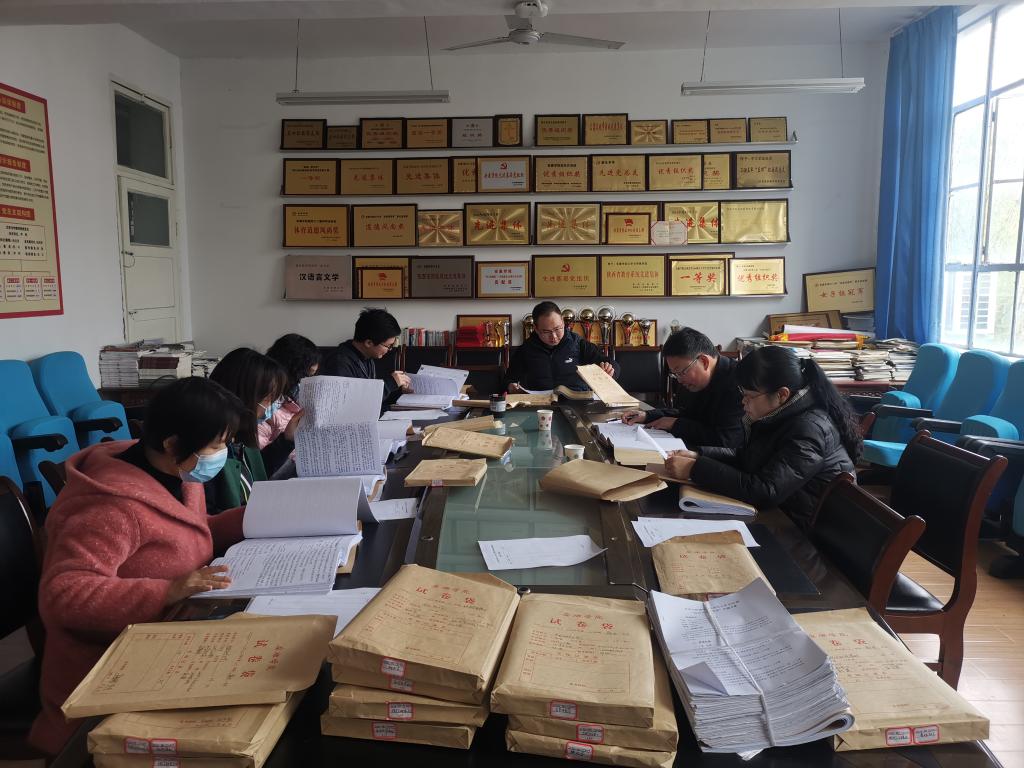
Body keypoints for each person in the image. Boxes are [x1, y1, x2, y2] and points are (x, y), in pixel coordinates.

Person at [30, 377, 247, 755]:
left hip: (168, 640)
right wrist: (168, 590)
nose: (221, 454)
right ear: (173, 443)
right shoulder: (108, 505)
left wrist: (258, 516)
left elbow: (190, 535)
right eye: (216, 445)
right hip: (106, 675)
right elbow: (64, 594)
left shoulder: (175, 471)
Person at [663, 345, 862, 530]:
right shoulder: (779, 414)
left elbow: (766, 491)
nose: (743, 402)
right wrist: (698, 456)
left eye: (749, 396)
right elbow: (748, 457)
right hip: (783, 512)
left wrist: (695, 469)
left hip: (802, 529)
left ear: (781, 394)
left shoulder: (809, 429)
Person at [620, 328, 745, 449]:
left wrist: (675, 424)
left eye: (681, 372)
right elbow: (685, 414)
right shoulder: (695, 381)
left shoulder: (739, 383)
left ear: (704, 362)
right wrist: (648, 416)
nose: (679, 380)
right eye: (675, 374)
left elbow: (727, 440)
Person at [206, 348, 288, 511]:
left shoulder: (243, 436)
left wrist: (287, 440)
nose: (272, 406)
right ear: (244, 396)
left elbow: (256, 475)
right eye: (268, 399)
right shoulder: (210, 450)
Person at [505, 301, 618, 392]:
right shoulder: (526, 349)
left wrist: (609, 369)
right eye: (546, 332)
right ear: (536, 329)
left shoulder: (578, 343)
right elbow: (508, 380)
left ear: (563, 322)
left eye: (557, 329)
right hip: (539, 405)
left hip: (577, 403)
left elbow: (613, 365)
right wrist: (511, 386)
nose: (553, 336)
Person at [320, 308, 410, 408]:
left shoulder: (367, 357)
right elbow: (350, 405)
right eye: (388, 346)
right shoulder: (339, 363)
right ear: (368, 343)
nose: (390, 350)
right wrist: (390, 384)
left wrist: (399, 391)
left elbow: (373, 399)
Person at [261, 333, 320, 475]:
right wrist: (288, 440)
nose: (307, 383)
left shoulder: (290, 398)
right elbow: (261, 469)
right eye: (306, 376)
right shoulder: (265, 408)